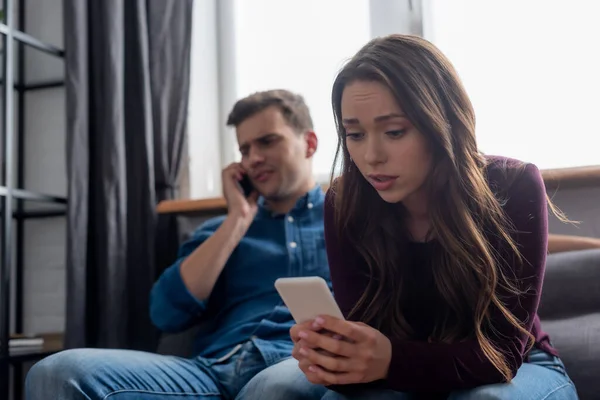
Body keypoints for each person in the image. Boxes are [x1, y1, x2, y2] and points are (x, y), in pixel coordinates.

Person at [238, 34, 579, 400]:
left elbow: (503, 355)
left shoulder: (513, 186)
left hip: (517, 365)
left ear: (442, 122)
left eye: (394, 131)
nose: (371, 156)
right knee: (272, 386)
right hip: (396, 365)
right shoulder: (344, 201)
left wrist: (386, 361)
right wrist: (333, 357)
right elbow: (363, 337)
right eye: (354, 134)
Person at [25, 89, 332, 400]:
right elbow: (165, 314)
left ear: (309, 143)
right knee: (56, 372)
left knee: (278, 389)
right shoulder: (219, 232)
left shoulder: (353, 224)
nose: (253, 159)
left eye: (267, 141)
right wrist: (237, 220)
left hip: (294, 368)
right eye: (244, 149)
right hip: (209, 372)